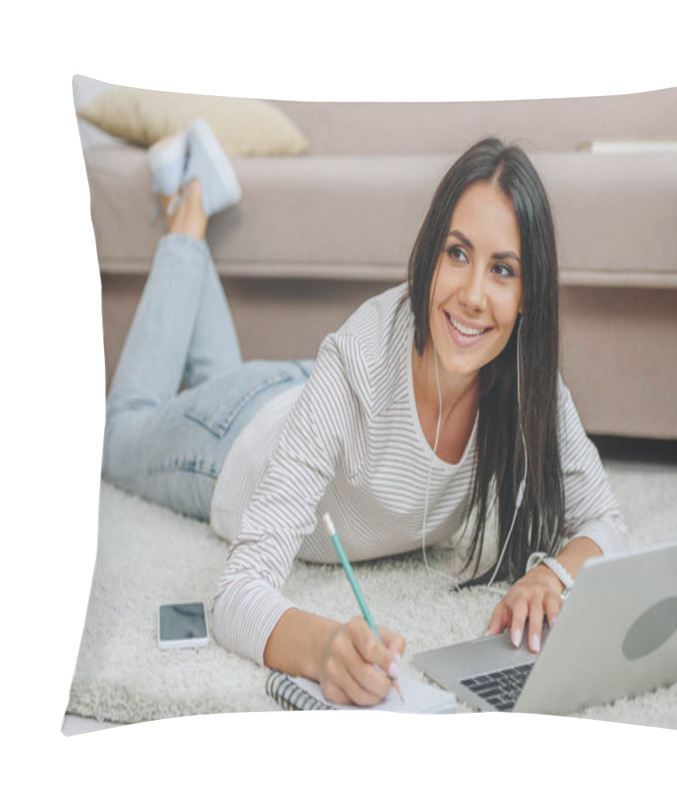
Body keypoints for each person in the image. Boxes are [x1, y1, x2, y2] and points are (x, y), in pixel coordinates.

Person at [102, 119, 630, 708]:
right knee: (119, 429)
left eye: (502, 269)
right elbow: (237, 593)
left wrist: (550, 575)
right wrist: (324, 646)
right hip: (233, 438)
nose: (474, 295)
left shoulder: (528, 380)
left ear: (528, 292)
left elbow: (606, 521)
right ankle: (190, 208)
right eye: (458, 254)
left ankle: (188, 200)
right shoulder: (358, 357)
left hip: (300, 394)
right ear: (431, 252)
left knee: (214, 377)